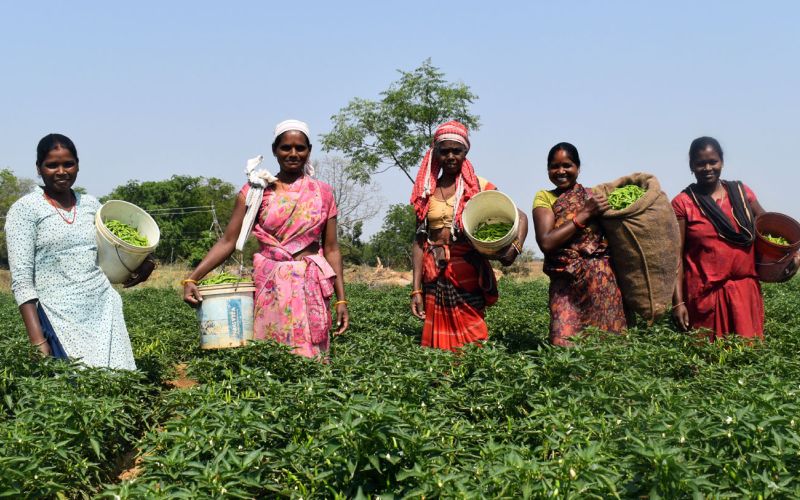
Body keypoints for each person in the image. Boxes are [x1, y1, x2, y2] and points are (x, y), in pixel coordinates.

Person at [182, 120, 348, 358]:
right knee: (270, 355)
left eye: (300, 148)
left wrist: (341, 300)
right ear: (274, 150)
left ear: (309, 150)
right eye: (286, 148)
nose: (293, 154)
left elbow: (331, 249)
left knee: (311, 359)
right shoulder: (256, 191)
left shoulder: (323, 193)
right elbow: (228, 241)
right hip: (270, 286)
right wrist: (192, 278)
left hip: (309, 285)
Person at [5, 134, 155, 369]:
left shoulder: (91, 205)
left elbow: (113, 254)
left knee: (113, 390)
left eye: (68, 164)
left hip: (103, 311)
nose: (61, 171)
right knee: (73, 393)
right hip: (57, 317)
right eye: (52, 165)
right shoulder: (26, 210)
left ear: (78, 165)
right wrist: (37, 340)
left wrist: (143, 262)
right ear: (39, 168)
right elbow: (22, 281)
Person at [409, 120, 528, 351]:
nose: (451, 156)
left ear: (466, 152)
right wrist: (416, 289)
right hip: (434, 273)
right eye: (445, 151)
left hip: (467, 273)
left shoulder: (479, 186)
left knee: (473, 334)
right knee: (437, 342)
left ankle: (473, 380)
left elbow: (521, 217)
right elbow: (419, 240)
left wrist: (514, 249)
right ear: (436, 153)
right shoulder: (426, 189)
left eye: (457, 150)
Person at [670, 136, 800, 340]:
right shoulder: (683, 203)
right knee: (709, 361)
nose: (707, 168)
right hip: (706, 296)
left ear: (722, 161)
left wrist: (793, 256)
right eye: (700, 163)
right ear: (691, 166)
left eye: (713, 161)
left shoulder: (742, 194)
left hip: (745, 294)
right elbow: (675, 257)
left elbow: (769, 232)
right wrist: (678, 303)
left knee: (748, 360)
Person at [532, 142, 626, 346]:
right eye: (554, 166)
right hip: (564, 280)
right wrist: (584, 214)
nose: (560, 171)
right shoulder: (545, 197)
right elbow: (547, 242)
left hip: (600, 281)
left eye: (567, 165)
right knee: (562, 342)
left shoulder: (594, 197)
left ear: (578, 167)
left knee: (606, 344)